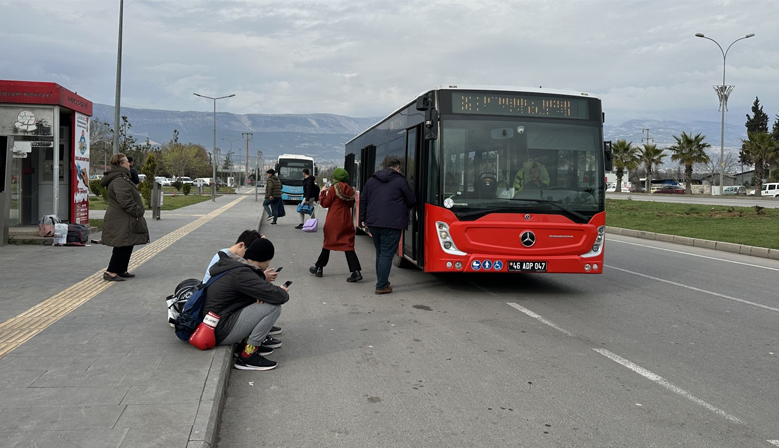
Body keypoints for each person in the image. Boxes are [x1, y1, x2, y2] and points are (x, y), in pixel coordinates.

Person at [202, 238, 289, 371]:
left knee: (262, 302)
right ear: (265, 259)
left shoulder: (237, 266)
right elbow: (279, 296)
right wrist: (281, 291)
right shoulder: (243, 274)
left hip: (214, 323)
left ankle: (246, 346)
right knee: (273, 307)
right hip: (218, 331)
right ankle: (247, 356)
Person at [359, 157, 416, 294]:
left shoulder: (371, 180)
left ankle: (382, 280)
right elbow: (412, 200)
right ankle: (381, 286)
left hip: (373, 222)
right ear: (397, 168)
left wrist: (362, 218)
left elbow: (363, 200)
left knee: (380, 252)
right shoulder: (400, 181)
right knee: (386, 254)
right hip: (393, 223)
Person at [99, 153, 150, 281]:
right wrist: (137, 211)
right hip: (122, 218)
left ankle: (121, 270)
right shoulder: (119, 180)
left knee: (127, 243)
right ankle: (111, 271)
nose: (129, 163)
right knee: (121, 245)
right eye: (127, 161)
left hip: (124, 218)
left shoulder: (122, 177)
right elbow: (124, 199)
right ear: (121, 164)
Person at [309, 168, 362, 282]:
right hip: (346, 218)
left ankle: (319, 268)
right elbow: (349, 205)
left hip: (334, 218)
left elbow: (325, 203)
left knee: (328, 242)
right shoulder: (350, 190)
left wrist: (323, 192)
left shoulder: (333, 189)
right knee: (347, 244)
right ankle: (355, 271)